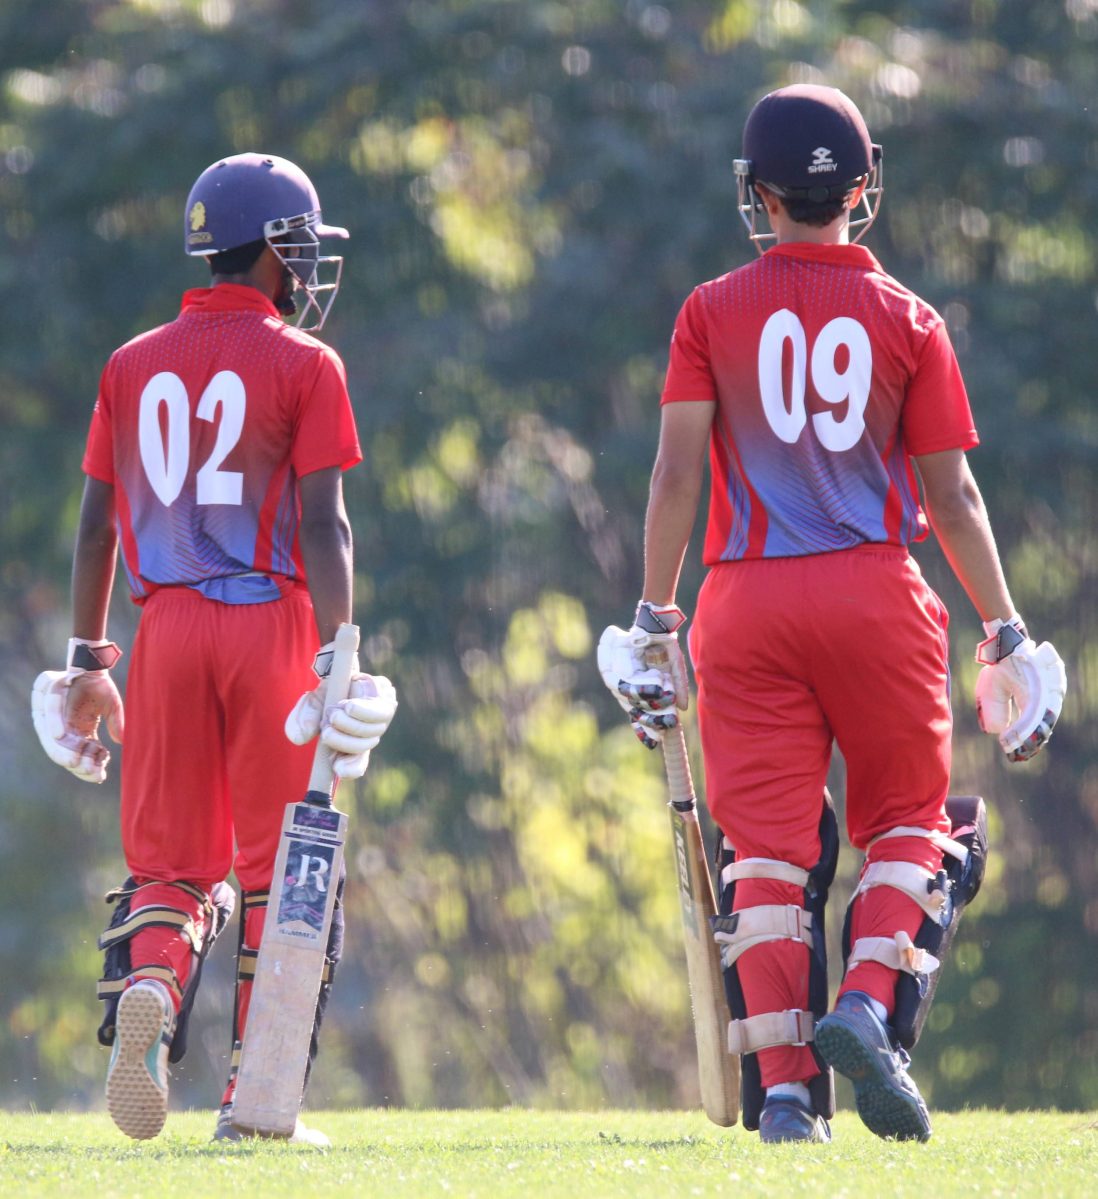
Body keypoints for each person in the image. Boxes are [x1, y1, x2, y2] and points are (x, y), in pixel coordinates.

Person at [598, 86, 1066, 1144]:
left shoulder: (710, 309)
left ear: (758, 195)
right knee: (912, 822)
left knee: (762, 851)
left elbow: (677, 470)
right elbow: (954, 497)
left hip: (746, 596)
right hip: (873, 590)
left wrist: (654, 608)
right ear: (861, 191)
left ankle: (785, 1100)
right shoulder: (909, 318)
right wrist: (1005, 626)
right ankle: (865, 1003)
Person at [31, 153, 397, 1145]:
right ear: (276, 249)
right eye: (304, 247)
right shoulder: (305, 363)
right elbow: (325, 524)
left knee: (171, 864)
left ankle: (152, 984)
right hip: (268, 620)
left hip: (164, 630)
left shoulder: (131, 360)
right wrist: (342, 646)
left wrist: (88, 657)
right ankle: (254, 1094)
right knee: (286, 867)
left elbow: (96, 525)